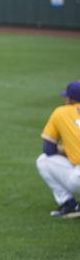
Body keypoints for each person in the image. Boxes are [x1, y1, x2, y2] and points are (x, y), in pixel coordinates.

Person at [36, 80, 80, 218]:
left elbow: (48, 149)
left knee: (43, 161)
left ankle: (69, 204)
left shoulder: (61, 112)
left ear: (69, 99)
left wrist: (68, 149)